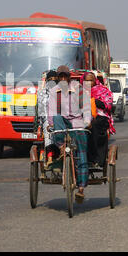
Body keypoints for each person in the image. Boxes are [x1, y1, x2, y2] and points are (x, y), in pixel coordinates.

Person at [47, 65, 91, 201]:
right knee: (57, 117)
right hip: (62, 124)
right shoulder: (54, 91)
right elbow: (52, 112)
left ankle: (81, 189)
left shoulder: (79, 89)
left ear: (69, 76)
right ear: (58, 78)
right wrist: (51, 125)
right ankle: (61, 147)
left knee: (82, 153)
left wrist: (87, 122)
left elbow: (87, 109)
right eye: (61, 76)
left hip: (77, 123)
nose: (63, 79)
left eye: (65, 76)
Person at [82, 72, 115, 168]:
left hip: (100, 117)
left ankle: (97, 159)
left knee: (95, 128)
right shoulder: (79, 92)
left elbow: (108, 105)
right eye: (86, 81)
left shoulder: (103, 90)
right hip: (83, 117)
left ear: (95, 81)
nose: (89, 83)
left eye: (91, 80)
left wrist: (96, 102)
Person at [36, 70, 58, 163]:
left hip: (60, 117)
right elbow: (41, 111)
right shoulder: (42, 93)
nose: (52, 82)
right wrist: (41, 124)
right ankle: (50, 158)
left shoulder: (61, 90)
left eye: (55, 80)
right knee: (48, 130)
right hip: (47, 118)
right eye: (50, 80)